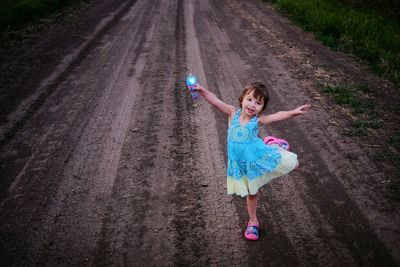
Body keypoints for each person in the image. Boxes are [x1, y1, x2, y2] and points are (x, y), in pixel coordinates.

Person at [194, 81, 311, 240]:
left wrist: (294, 112)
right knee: (251, 193)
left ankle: (273, 146)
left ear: (262, 108)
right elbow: (214, 100)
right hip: (242, 164)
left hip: (258, 155)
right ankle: (253, 222)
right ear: (242, 99)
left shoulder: (257, 120)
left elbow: (277, 116)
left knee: (294, 164)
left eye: (258, 103)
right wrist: (201, 90)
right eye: (249, 99)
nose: (252, 105)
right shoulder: (232, 113)